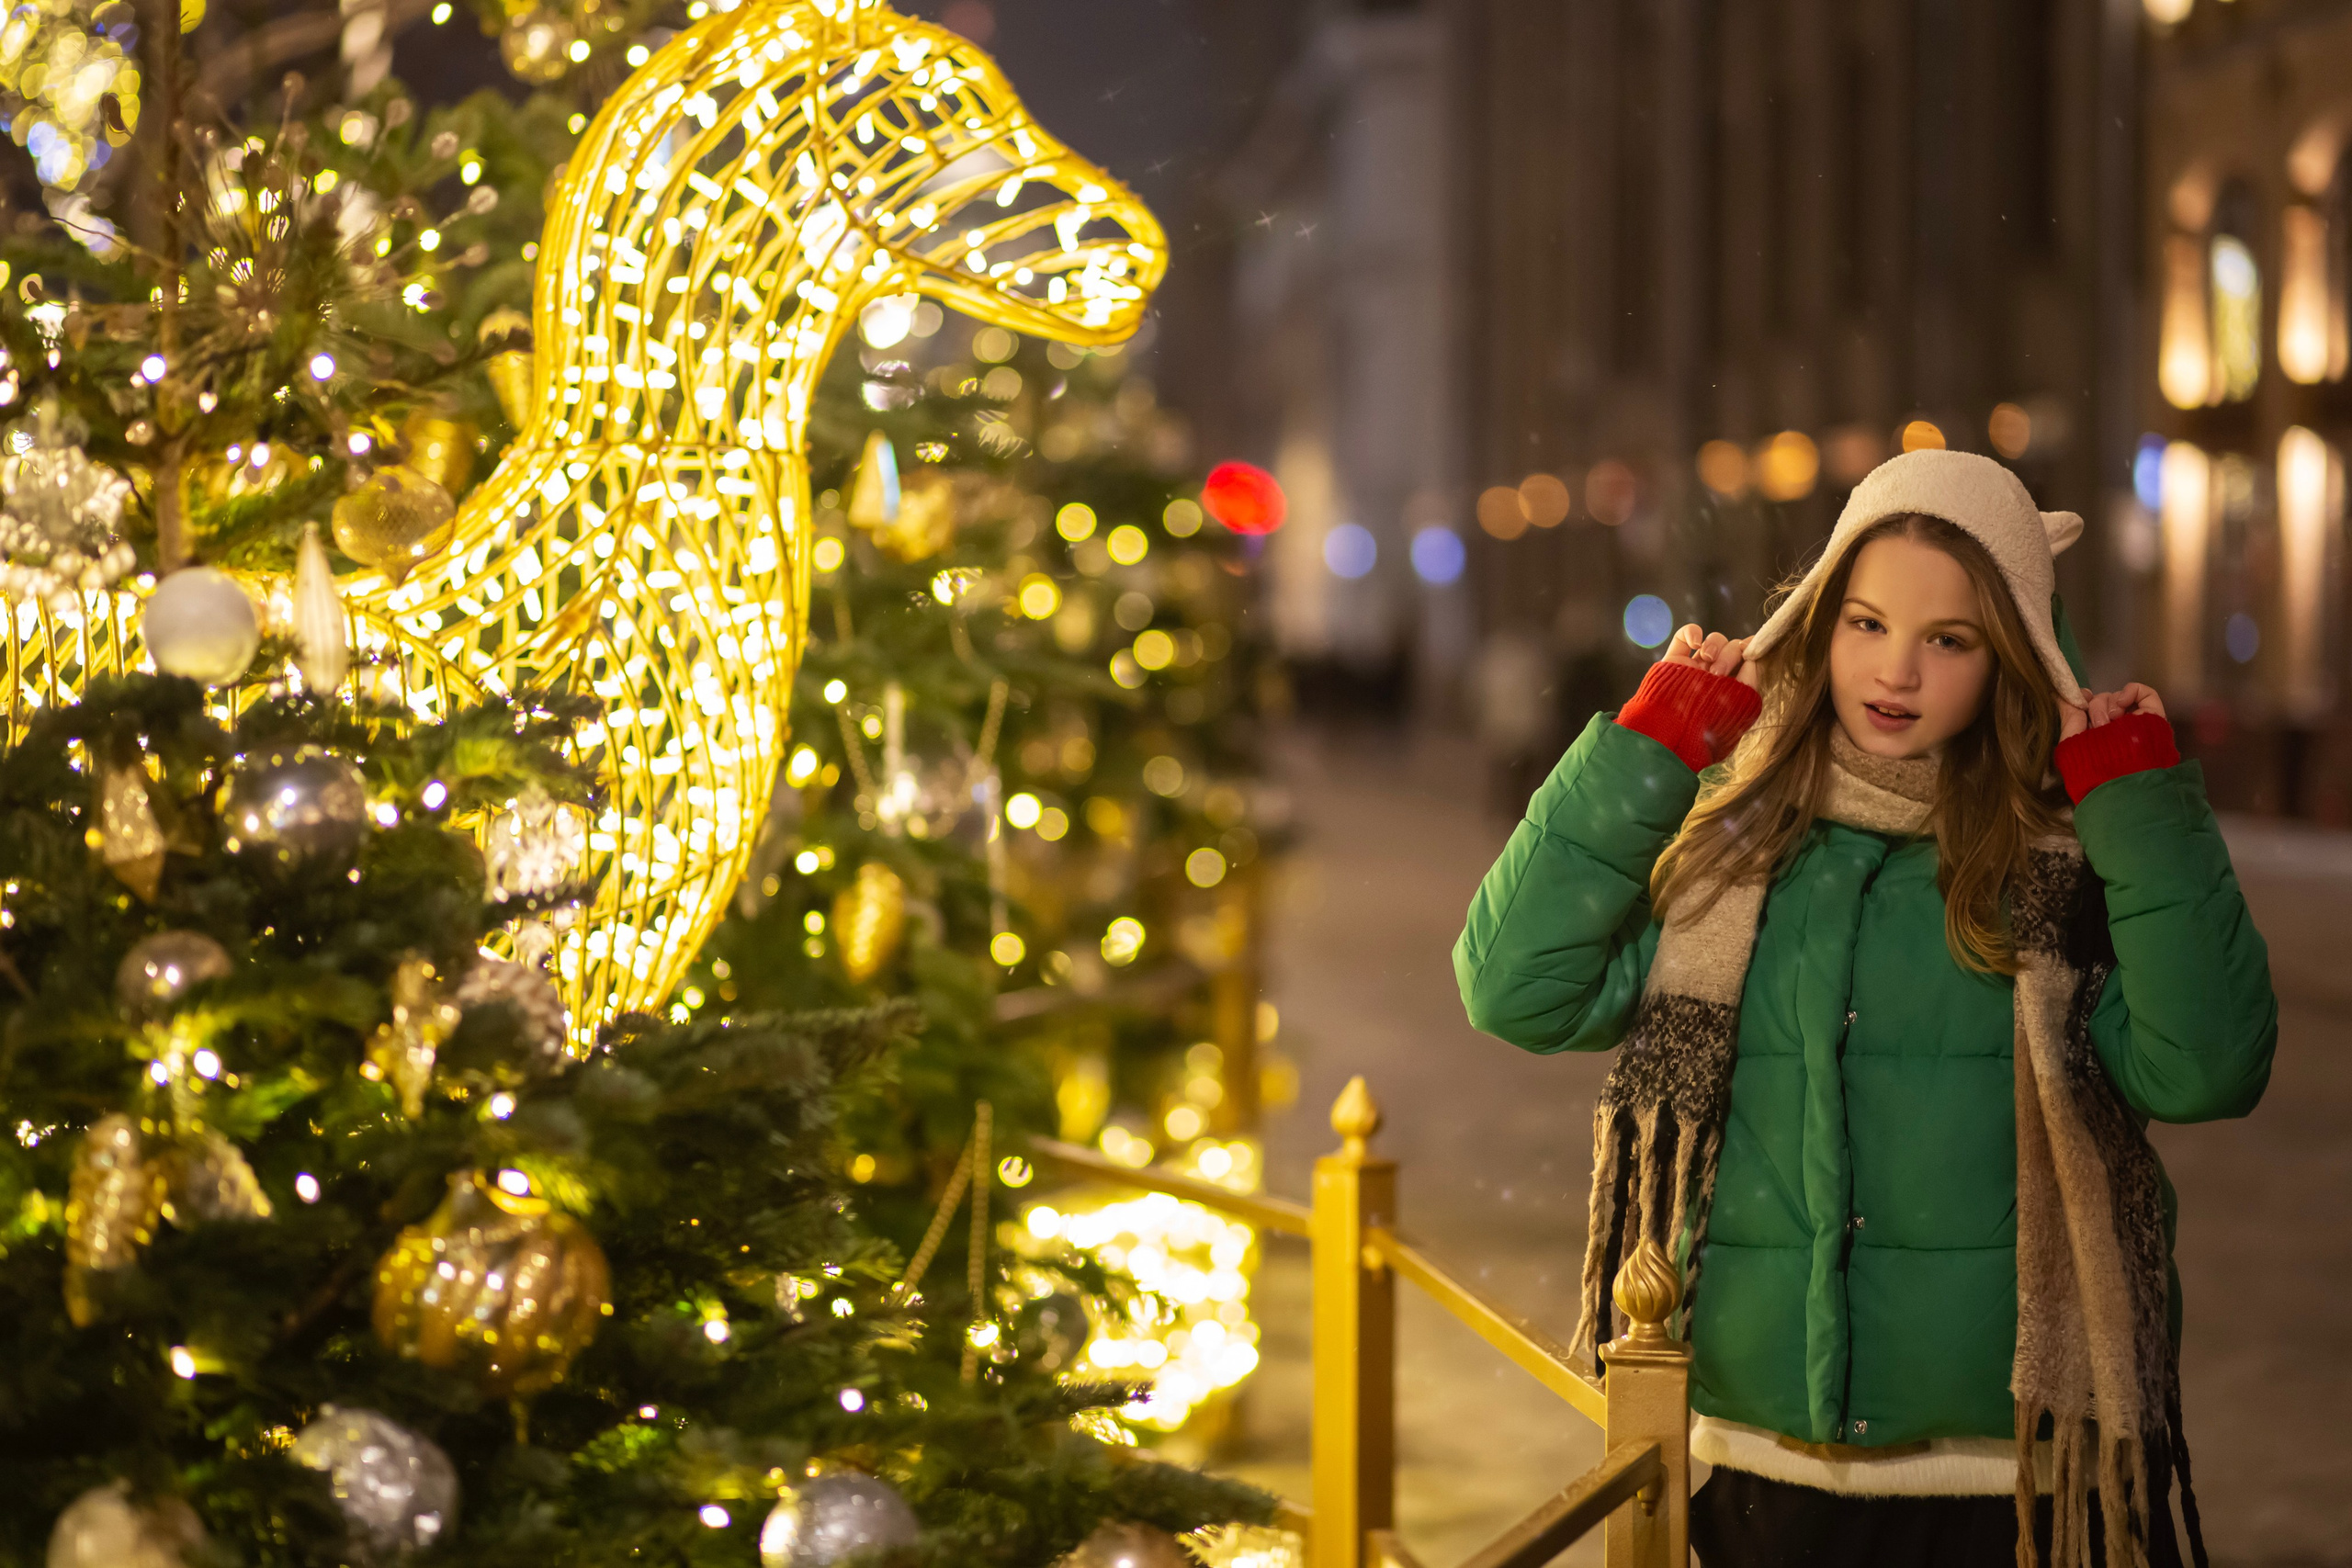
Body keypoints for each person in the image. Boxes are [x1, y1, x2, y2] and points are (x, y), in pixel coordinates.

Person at [1453, 450, 2274, 1568]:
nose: (1896, 670)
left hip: (2012, 1494)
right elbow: (1513, 988)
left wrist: (2138, 802)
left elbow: (2208, 1066)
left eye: (1950, 639)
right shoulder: (1729, 849)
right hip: (1761, 1479)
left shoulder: (2074, 864)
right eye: (1866, 623)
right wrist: (1653, 747)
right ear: (1816, 624)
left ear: (2014, 657)